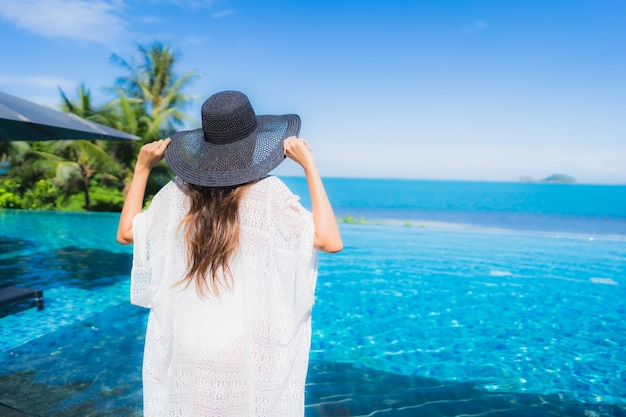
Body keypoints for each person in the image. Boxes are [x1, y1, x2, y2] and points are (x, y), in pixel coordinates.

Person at [116, 90, 342, 416]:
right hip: (242, 345)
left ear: (206, 148)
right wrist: (309, 167)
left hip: (187, 340)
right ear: (254, 145)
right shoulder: (268, 194)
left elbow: (126, 234)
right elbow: (330, 241)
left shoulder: (178, 193)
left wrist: (141, 168)